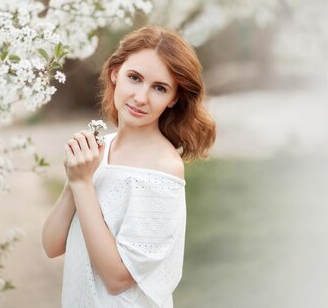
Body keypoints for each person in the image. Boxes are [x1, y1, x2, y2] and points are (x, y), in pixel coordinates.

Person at [41, 25, 216, 308]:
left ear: (173, 98)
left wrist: (84, 184)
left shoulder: (163, 169)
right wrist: (75, 180)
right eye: (134, 78)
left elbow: (118, 278)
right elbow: (51, 245)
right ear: (115, 73)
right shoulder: (101, 149)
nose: (140, 97)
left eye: (159, 88)